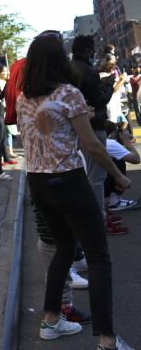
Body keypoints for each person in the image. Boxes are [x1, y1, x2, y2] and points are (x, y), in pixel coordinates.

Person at [17, 31, 134, 349]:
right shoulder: (68, 94)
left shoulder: (23, 97)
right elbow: (92, 145)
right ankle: (108, 341)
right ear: (60, 60)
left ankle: (51, 321)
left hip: (38, 183)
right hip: (68, 180)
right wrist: (118, 177)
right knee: (98, 258)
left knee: (63, 249)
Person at [71, 35, 119, 231]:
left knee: (89, 174)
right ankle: (99, 219)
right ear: (85, 51)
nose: (94, 54)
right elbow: (99, 100)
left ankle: (96, 217)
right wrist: (108, 87)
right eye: (92, 50)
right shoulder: (87, 70)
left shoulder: (71, 68)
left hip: (79, 125)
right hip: (92, 125)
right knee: (96, 176)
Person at [103, 122, 139, 214]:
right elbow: (136, 159)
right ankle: (114, 201)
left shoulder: (92, 141)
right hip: (99, 186)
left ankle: (108, 200)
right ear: (113, 133)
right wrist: (126, 141)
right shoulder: (109, 143)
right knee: (118, 161)